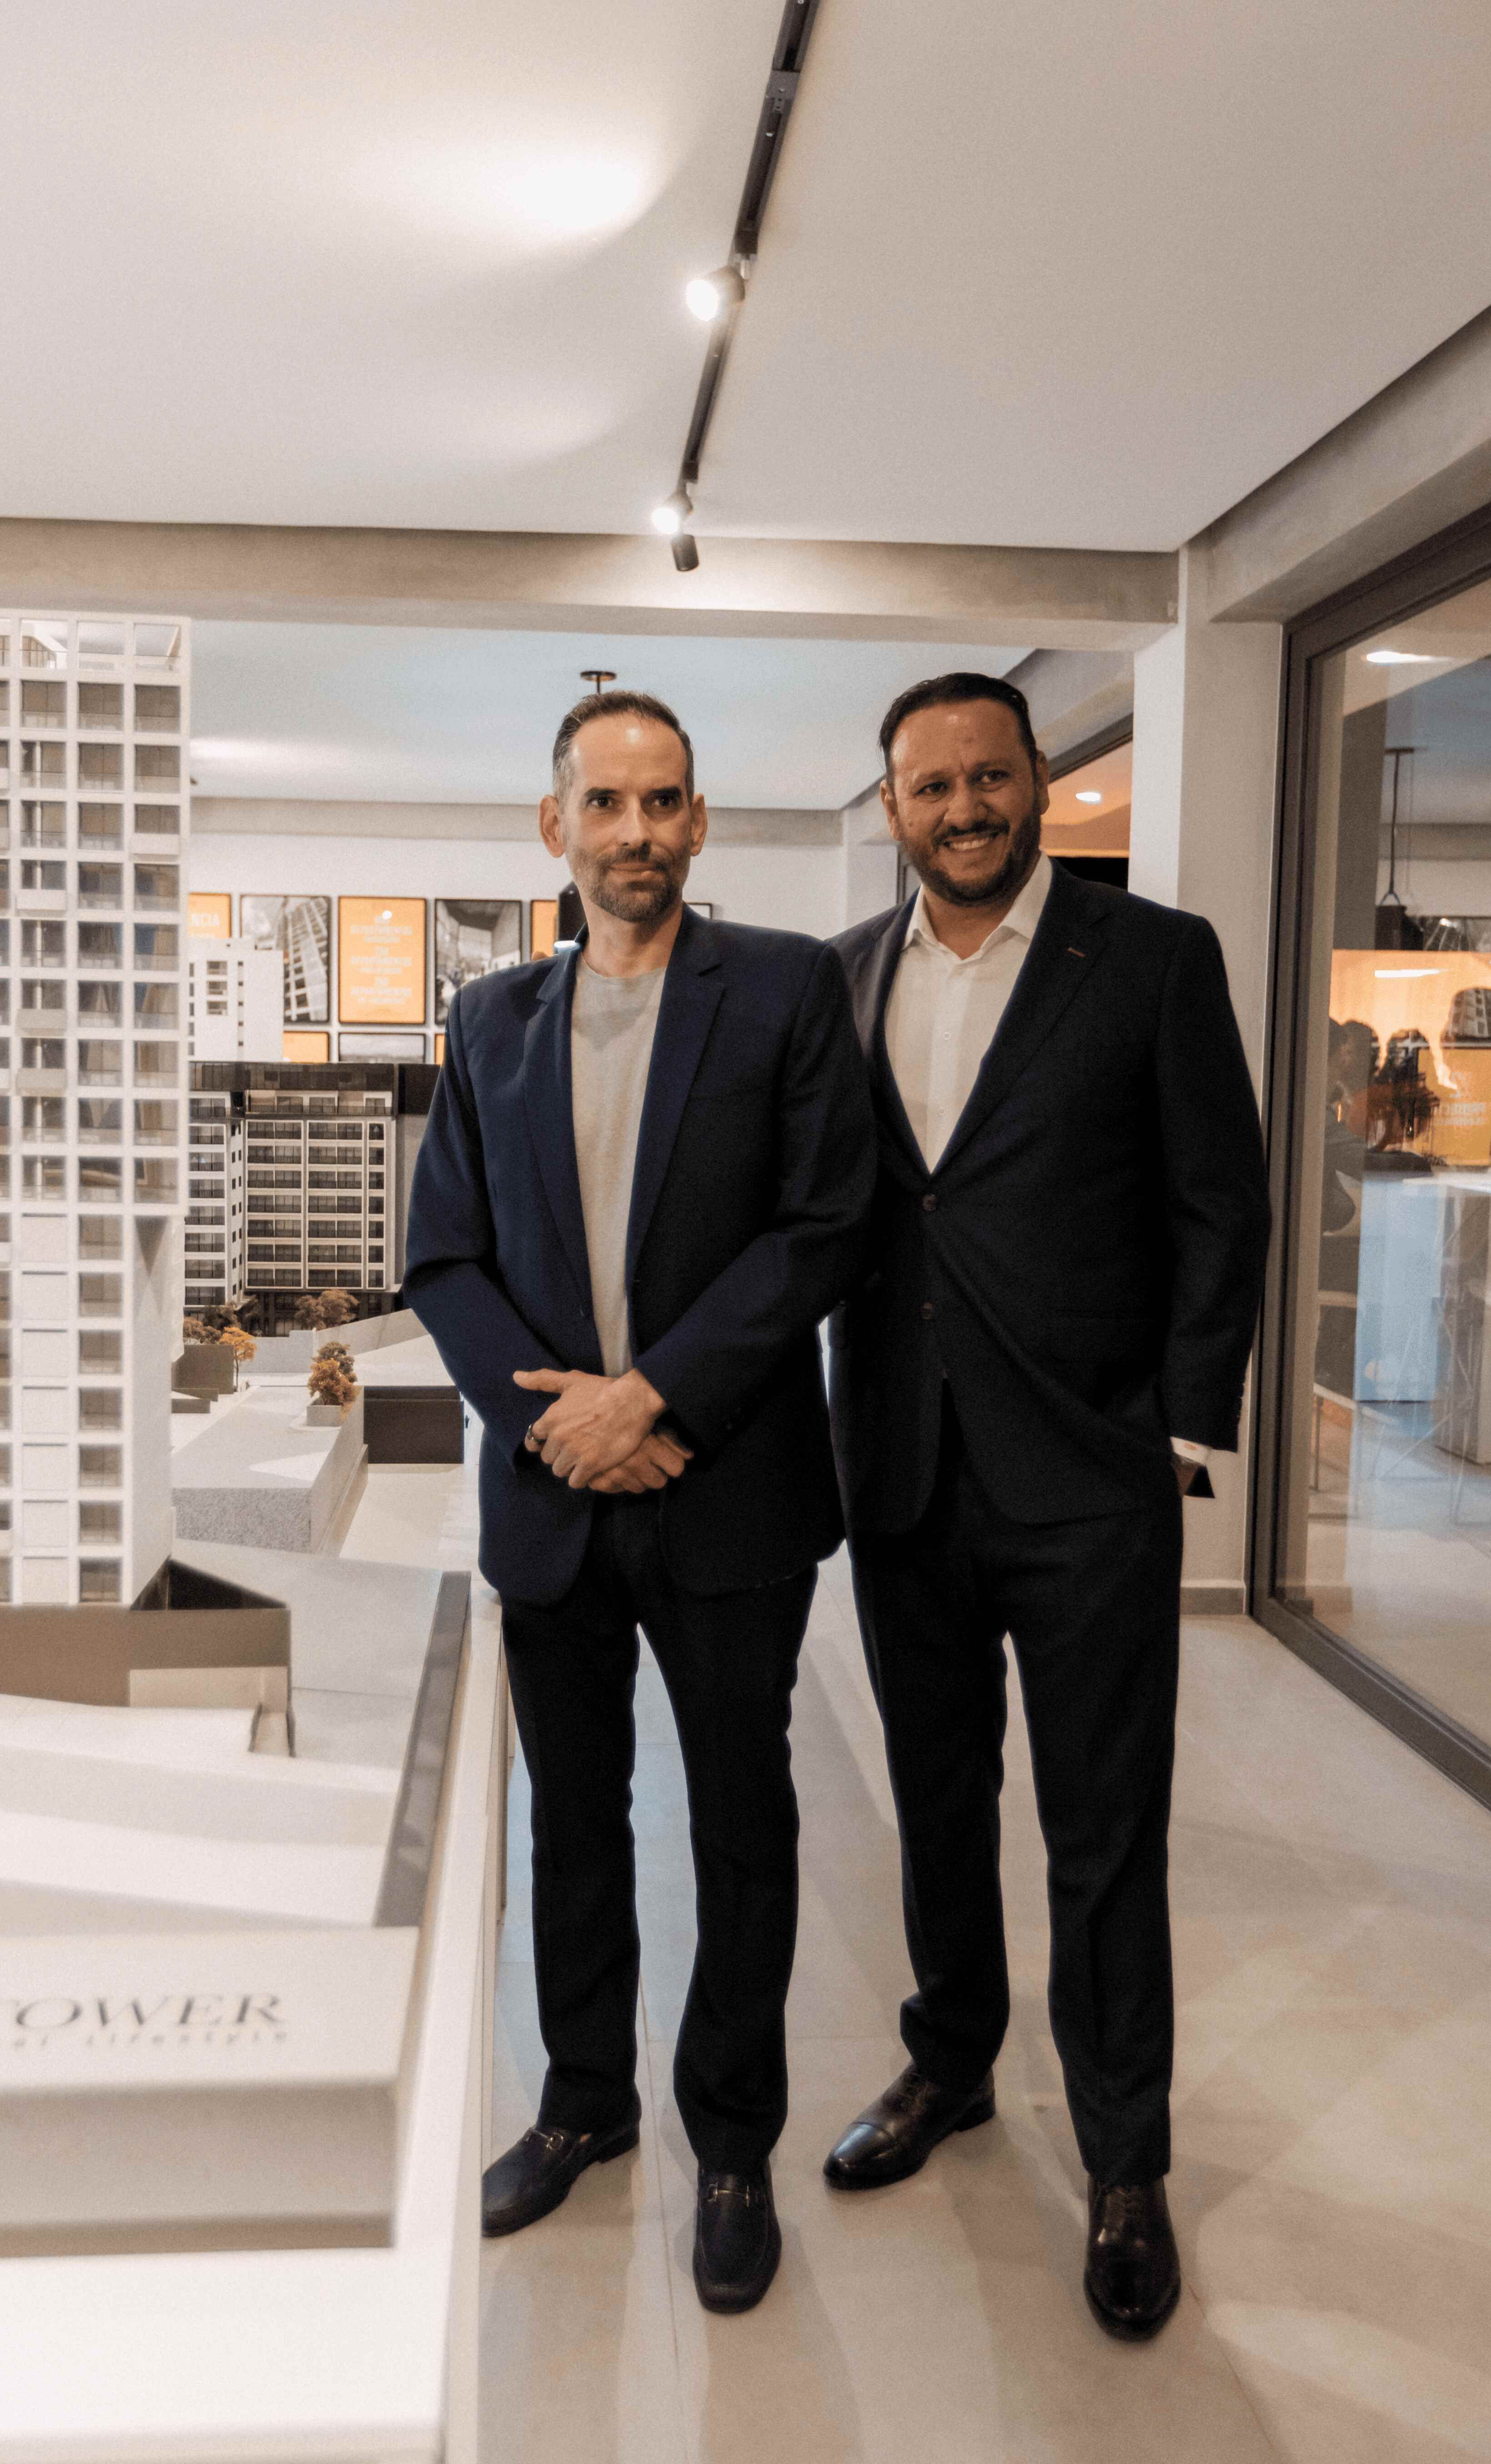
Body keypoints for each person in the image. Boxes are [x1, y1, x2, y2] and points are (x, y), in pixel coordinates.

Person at [404, 689, 873, 2315]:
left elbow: (825, 1225)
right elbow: (443, 1258)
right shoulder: (490, 1022)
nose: (637, 832)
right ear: (556, 827)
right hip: (559, 1505)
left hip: (725, 1489)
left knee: (742, 1825)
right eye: (605, 804)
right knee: (574, 1820)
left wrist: (652, 1397)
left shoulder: (786, 991)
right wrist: (568, 1431)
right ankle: (583, 2102)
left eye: (664, 802)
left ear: (700, 821)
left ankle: (733, 2144)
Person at [823, 671, 1269, 2341]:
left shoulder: (1151, 959)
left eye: (990, 776)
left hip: (1090, 1481)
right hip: (904, 1469)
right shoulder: (841, 976)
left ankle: (1125, 2159)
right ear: (892, 806)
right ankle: (950, 2063)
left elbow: (1222, 1199)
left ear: (1039, 784)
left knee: (1105, 1833)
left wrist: (1181, 1431)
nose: (965, 808)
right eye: (932, 785)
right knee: (937, 1805)